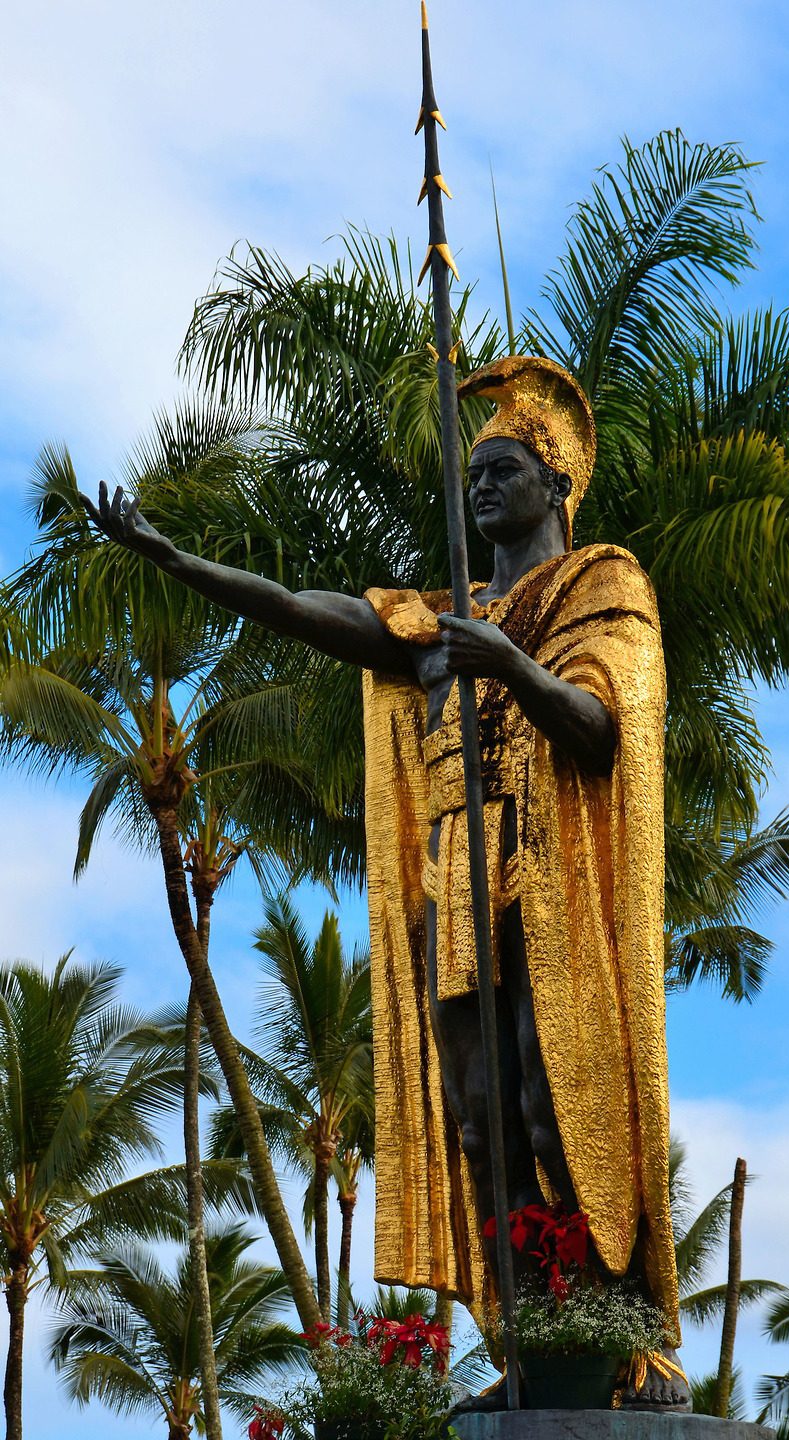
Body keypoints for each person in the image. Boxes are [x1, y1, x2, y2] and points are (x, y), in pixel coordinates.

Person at [85, 354, 687, 1408]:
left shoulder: (603, 584)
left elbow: (605, 731)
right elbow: (307, 611)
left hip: (548, 878)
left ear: (558, 485)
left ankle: (621, 1350)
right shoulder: (440, 618)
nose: (482, 486)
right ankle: (531, 1353)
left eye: (503, 468)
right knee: (482, 1121)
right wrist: (179, 561)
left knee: (557, 1112)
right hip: (455, 879)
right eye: (474, 474)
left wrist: (510, 669)